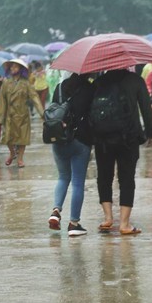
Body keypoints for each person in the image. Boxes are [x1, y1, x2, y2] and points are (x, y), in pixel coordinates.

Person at [92, 69, 152, 235]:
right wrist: (150, 133)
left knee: (104, 176)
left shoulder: (99, 81)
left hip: (103, 139)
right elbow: (146, 108)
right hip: (129, 138)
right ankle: (125, 224)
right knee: (126, 178)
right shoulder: (135, 80)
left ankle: (108, 218)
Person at [47, 73, 95, 236]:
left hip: (59, 139)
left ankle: (55, 211)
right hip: (80, 140)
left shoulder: (60, 87)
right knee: (77, 182)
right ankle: (74, 224)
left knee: (62, 177)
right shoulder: (90, 88)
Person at [0, 59, 44, 168]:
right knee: (7, 138)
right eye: (12, 67)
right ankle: (12, 153)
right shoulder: (6, 83)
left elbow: (35, 98)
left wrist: (42, 113)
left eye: (16, 67)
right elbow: (1, 101)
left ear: (20, 69)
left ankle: (20, 158)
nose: (13, 69)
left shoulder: (26, 83)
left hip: (22, 114)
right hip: (9, 115)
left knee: (23, 138)